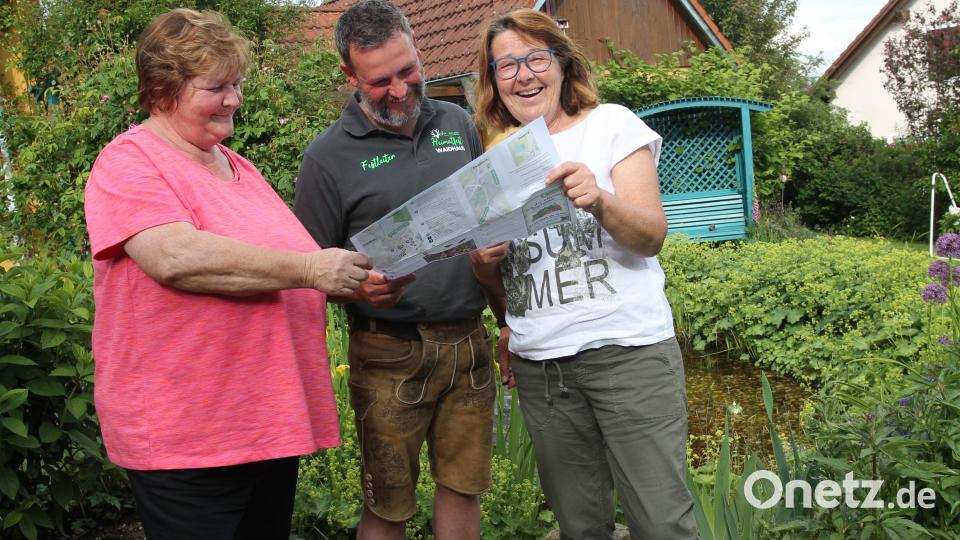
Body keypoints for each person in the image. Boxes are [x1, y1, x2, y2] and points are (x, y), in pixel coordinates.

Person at [83, 9, 371, 539]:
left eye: (237, 83)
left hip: (265, 424)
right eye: (216, 86)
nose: (235, 99)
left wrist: (352, 280)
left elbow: (286, 273)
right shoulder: (130, 162)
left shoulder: (240, 167)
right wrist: (310, 268)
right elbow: (174, 256)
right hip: (190, 435)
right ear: (163, 89)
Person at [471, 8, 698, 539]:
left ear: (563, 64)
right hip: (542, 369)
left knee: (661, 522)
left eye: (536, 58)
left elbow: (651, 235)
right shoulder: (493, 159)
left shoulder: (612, 124)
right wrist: (483, 268)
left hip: (628, 356)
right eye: (507, 66)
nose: (523, 75)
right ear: (493, 80)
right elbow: (502, 285)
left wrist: (598, 199)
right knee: (579, 527)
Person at [292, 1, 496, 538]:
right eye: (381, 81)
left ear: (418, 51)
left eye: (408, 71)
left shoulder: (456, 123)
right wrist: (357, 288)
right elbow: (308, 272)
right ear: (350, 75)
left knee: (463, 486)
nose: (401, 90)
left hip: (468, 340)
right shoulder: (326, 159)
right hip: (387, 350)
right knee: (388, 504)